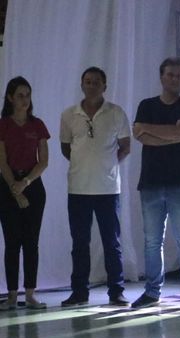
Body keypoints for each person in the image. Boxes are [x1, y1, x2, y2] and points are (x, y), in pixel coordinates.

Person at [130, 57, 180, 310]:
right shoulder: (146, 105)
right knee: (152, 241)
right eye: (170, 75)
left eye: (178, 75)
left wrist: (152, 130)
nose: (174, 79)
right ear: (161, 77)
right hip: (151, 182)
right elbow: (143, 137)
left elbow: (174, 132)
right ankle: (152, 292)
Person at [59, 67, 131, 307]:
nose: (91, 86)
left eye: (96, 82)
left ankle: (116, 290)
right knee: (80, 243)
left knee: (112, 242)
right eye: (88, 81)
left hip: (108, 189)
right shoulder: (69, 115)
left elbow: (126, 146)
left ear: (104, 86)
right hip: (78, 188)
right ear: (82, 85)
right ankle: (79, 292)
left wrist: (107, 165)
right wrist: (84, 164)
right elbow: (66, 148)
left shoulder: (116, 113)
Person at [0, 77, 50, 310]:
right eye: (20, 95)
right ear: (10, 98)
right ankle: (12, 295)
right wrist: (15, 188)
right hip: (7, 186)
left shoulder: (37, 124)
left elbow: (44, 161)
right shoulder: (3, 125)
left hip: (33, 186)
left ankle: (30, 294)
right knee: (12, 242)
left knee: (31, 242)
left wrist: (26, 183)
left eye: (28, 95)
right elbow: (2, 161)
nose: (25, 100)